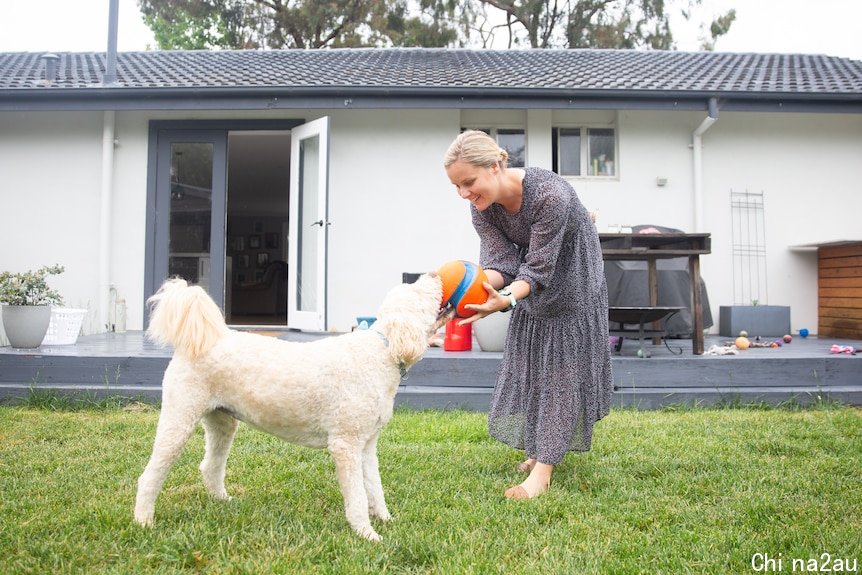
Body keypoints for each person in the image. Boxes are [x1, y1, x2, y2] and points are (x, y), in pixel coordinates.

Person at [443, 130, 613, 500]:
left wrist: (504, 300)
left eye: (468, 182)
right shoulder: (482, 208)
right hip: (530, 288)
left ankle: (543, 473)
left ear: (495, 166)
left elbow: (538, 270)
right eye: (456, 186)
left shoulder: (550, 196)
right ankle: (539, 450)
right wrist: (465, 291)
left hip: (574, 283)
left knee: (562, 374)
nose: (464, 194)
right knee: (534, 369)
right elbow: (500, 263)